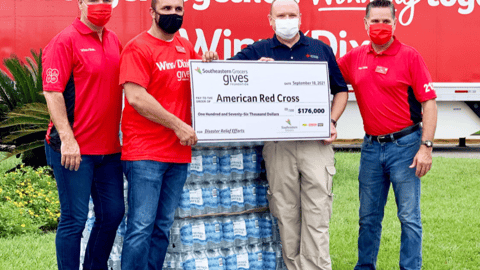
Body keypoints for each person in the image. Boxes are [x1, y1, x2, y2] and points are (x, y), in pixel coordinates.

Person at [230, 0, 349, 269]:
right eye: (280, 15)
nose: (287, 19)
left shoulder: (320, 50)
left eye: (291, 14)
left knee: (317, 214)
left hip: (315, 144)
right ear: (270, 20)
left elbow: (341, 90)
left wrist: (330, 121)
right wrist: (252, 72)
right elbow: (226, 75)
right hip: (278, 145)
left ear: (300, 18)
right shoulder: (258, 50)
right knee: (286, 214)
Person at [337, 0, 438, 269]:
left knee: (408, 217)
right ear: (365, 23)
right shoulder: (355, 57)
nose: (380, 26)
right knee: (367, 218)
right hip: (371, 148)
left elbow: (429, 102)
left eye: (386, 21)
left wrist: (425, 147)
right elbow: (321, 76)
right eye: (375, 21)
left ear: (395, 23)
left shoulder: (410, 56)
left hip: (405, 146)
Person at [118, 0, 218, 268]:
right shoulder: (137, 48)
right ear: (152, 13)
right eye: (166, 9)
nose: (173, 14)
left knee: (162, 227)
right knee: (140, 227)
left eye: (178, 9)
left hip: (178, 154)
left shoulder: (185, 47)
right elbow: (137, 97)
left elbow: (200, 86)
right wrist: (177, 125)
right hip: (145, 154)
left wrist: (208, 64)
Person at [42, 0, 125, 269]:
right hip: (73, 149)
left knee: (112, 214)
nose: (101, 5)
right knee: (74, 220)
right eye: (93, 0)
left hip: (109, 150)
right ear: (80, 3)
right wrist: (67, 139)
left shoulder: (114, 41)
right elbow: (52, 92)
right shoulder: (64, 41)